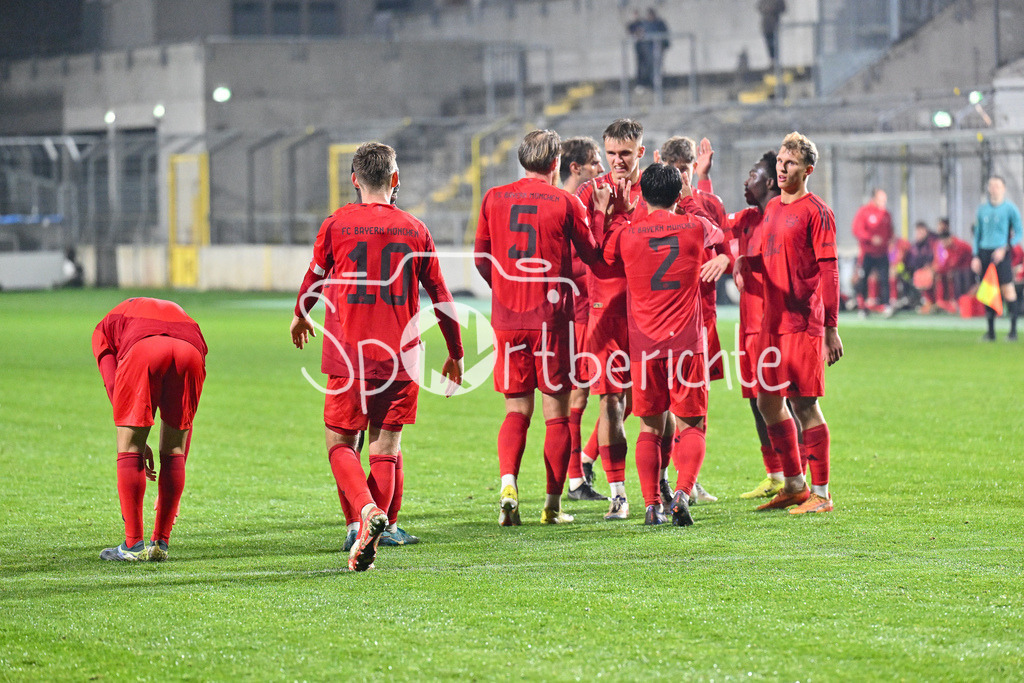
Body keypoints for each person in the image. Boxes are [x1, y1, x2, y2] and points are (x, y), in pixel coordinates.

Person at [291, 142, 464, 571]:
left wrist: (300, 315)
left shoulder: (336, 224)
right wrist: (456, 353)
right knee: (386, 447)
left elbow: (313, 278)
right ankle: (376, 526)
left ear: (354, 180)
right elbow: (441, 297)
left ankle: (363, 517)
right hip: (401, 357)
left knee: (340, 444)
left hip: (348, 353)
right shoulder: (416, 229)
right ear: (395, 180)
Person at [474, 129, 608, 526]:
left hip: (507, 321)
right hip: (550, 321)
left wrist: (505, 291)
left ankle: (508, 485)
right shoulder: (565, 202)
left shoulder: (493, 197)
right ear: (554, 164)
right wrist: (599, 212)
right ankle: (551, 505)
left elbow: (482, 260)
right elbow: (593, 258)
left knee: (516, 409)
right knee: (556, 413)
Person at [601, 162, 724, 526]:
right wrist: (690, 201)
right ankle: (683, 494)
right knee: (692, 426)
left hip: (644, 345)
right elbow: (718, 233)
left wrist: (621, 213)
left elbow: (605, 256)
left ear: (643, 193)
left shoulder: (629, 233)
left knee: (650, 428)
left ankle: (652, 505)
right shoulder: (694, 226)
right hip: (686, 342)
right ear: (676, 192)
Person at [735, 131, 843, 514]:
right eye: (780, 162)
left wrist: (830, 327)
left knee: (804, 405)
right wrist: (747, 264)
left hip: (803, 324)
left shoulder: (817, 211)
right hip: (771, 322)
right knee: (767, 402)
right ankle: (794, 483)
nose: (782, 168)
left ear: (807, 169)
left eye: (791, 163)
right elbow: (775, 261)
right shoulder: (774, 209)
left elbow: (829, 272)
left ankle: (823, 493)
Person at [92, 297, 208, 561]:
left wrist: (134, 433)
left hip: (144, 347)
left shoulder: (103, 329)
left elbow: (113, 385)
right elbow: (184, 428)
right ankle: (161, 543)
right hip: (191, 347)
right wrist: (172, 498)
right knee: (174, 447)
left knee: (128, 446)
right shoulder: (179, 313)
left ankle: (132, 545)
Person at [575, 118, 649, 520]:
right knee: (611, 402)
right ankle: (619, 493)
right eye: (611, 153)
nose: (617, 161)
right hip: (605, 311)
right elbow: (593, 256)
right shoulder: (590, 192)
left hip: (648, 311)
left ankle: (661, 483)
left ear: (640, 151)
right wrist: (610, 215)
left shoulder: (655, 188)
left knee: (654, 402)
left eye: (625, 153)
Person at [653, 135, 730, 506]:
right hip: (667, 316)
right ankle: (670, 480)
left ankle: (688, 479)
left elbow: (727, 248)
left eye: (686, 170)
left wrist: (725, 261)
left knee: (696, 404)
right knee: (659, 405)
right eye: (675, 170)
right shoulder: (657, 204)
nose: (681, 178)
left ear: (693, 169)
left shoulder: (708, 203)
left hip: (704, 313)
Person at [558, 136, 608, 502]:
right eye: (595, 163)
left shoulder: (575, 203)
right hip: (578, 315)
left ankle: (583, 466)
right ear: (575, 168)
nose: (601, 169)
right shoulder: (568, 206)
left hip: (589, 312)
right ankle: (576, 477)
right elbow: (588, 258)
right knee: (584, 394)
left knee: (608, 394)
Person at [971, 175, 1022, 340]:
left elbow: (1019, 231)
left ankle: (1013, 331)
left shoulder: (1010, 208)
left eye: (997, 186)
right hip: (985, 253)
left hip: (1002, 253)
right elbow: (977, 235)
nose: (994, 189)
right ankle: (990, 332)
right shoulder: (982, 209)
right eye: (991, 185)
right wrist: (976, 256)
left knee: (1008, 289)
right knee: (988, 290)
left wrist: (1005, 247)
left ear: (1003, 188)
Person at [852, 188, 894, 316]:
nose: (884, 201)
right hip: (867, 254)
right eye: (882, 198)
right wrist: (871, 239)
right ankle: (862, 307)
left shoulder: (886, 214)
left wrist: (887, 242)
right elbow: (857, 230)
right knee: (863, 280)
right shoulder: (864, 212)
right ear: (874, 198)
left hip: (882, 253)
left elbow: (890, 232)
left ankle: (886, 306)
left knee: (885, 279)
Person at [931, 218, 973, 313]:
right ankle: (952, 303)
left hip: (968, 268)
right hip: (959, 269)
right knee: (951, 275)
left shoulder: (959, 245)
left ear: (949, 239)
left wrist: (939, 270)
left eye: (944, 242)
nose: (943, 244)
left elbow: (954, 262)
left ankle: (963, 305)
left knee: (958, 278)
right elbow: (948, 262)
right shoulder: (948, 247)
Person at [756, 0, 786, 66]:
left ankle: (775, 60)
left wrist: (773, 9)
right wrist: (766, 9)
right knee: (769, 43)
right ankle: (772, 60)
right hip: (766, 25)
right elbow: (759, 7)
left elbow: (783, 8)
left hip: (775, 24)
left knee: (774, 43)